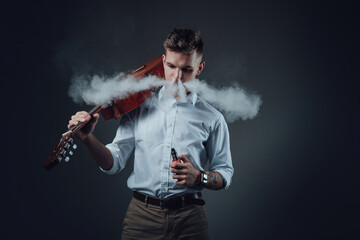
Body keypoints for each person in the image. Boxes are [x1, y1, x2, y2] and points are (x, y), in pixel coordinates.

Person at [68, 28, 234, 240]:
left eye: (186, 70)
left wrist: (199, 177)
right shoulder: (138, 107)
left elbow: (225, 173)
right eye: (171, 66)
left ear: (200, 68)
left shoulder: (213, 118)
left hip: (190, 221)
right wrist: (88, 139)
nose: (176, 78)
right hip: (141, 218)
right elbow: (114, 161)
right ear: (162, 61)